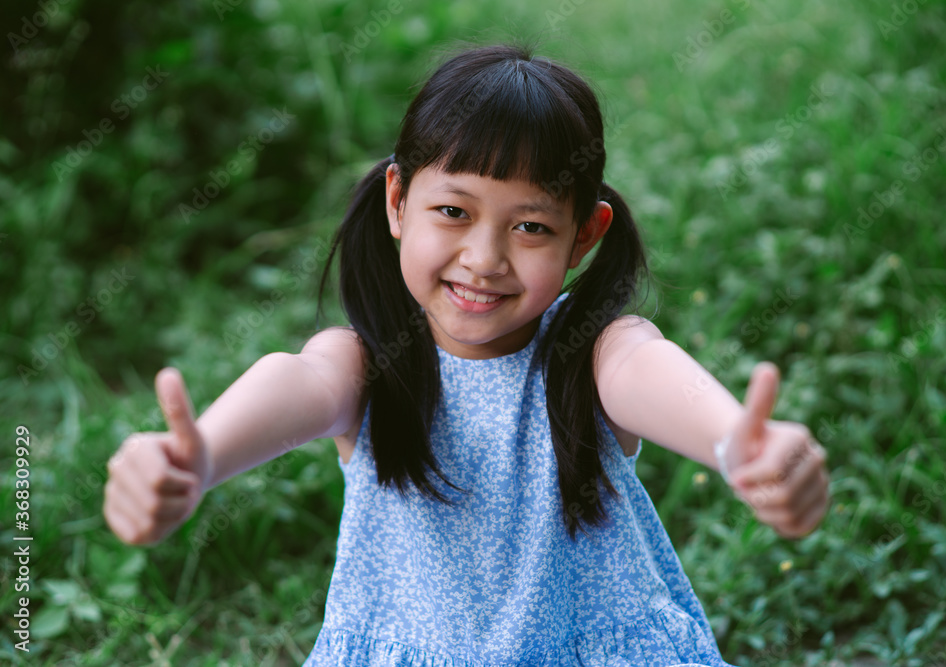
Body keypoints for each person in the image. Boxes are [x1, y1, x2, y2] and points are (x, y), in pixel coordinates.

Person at [104, 44, 829, 666]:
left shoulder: (593, 351)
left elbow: (649, 371)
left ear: (584, 236)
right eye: (453, 211)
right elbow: (298, 380)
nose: (483, 259)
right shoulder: (369, 363)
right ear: (397, 200)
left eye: (533, 227)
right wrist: (202, 458)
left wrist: (736, 441)